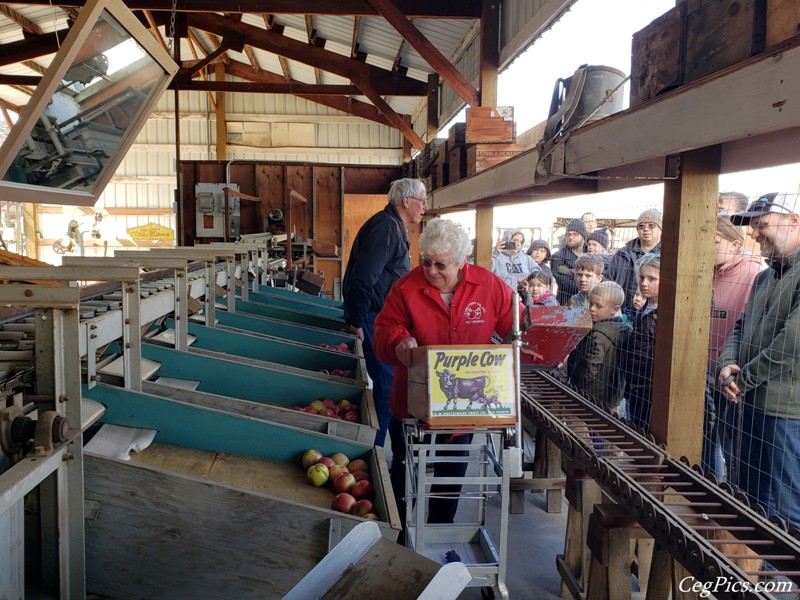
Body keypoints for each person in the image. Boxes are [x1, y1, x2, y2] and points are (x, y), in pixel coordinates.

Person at [373, 217, 517, 529]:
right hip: (413, 403)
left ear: (462, 261)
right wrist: (398, 341)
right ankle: (400, 536)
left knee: (451, 474)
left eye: (441, 265)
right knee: (404, 472)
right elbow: (383, 330)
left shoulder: (490, 286)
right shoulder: (405, 289)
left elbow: (514, 326)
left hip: (463, 407)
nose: (432, 272)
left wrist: (526, 343)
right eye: (426, 263)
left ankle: (439, 534)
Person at [717, 193, 800, 529]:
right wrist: (726, 363)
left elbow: (792, 343)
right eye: (751, 225)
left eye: (761, 224)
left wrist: (742, 379)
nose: (752, 232)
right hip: (751, 403)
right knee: (751, 502)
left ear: (793, 221)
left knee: (789, 509)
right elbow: (740, 325)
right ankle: (756, 576)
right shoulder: (766, 276)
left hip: (786, 412)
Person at [341, 177, 427, 447]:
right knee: (386, 386)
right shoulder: (386, 227)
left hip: (376, 314)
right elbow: (364, 277)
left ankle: (393, 444)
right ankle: (373, 450)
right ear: (406, 201)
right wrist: (356, 320)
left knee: (390, 384)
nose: (424, 207)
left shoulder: (392, 225)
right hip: (372, 316)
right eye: (422, 201)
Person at [704, 216, 766, 480]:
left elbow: (746, 328)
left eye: (715, 242)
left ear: (734, 243)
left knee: (734, 447)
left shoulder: (753, 274)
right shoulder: (706, 271)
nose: (708, 248)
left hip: (733, 376)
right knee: (709, 438)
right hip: (706, 371)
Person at [567, 281, 631, 411]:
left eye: (599, 306)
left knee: (575, 426)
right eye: (591, 303)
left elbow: (589, 368)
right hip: (613, 397)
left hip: (588, 396)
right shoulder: (626, 331)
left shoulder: (598, 335)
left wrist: (576, 384)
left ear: (615, 309)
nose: (592, 309)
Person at [620, 253, 660, 431]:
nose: (644, 283)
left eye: (652, 279)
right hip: (636, 379)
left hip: (650, 385)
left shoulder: (662, 312)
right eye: (642, 277)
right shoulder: (646, 306)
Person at [607, 208, 662, 319]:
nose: (646, 229)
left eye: (651, 225)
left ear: (661, 229)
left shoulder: (669, 256)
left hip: (654, 317)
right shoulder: (622, 254)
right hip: (620, 315)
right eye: (641, 226)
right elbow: (608, 282)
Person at [552, 219, 587, 305]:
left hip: (588, 303)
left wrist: (571, 273)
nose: (571, 237)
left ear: (583, 236)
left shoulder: (591, 254)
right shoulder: (558, 256)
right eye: (569, 234)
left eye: (575, 234)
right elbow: (562, 282)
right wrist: (587, 285)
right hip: (566, 302)